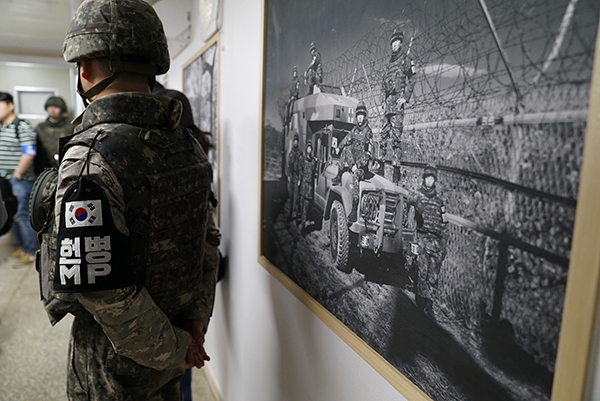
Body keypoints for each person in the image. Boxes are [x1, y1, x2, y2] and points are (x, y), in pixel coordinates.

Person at [43, 0, 220, 399]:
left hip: (113, 363)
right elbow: (208, 243)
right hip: (176, 338)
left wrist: (175, 348)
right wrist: (191, 328)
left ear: (85, 68)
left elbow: (97, 287)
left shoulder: (90, 158)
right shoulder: (187, 145)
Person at [152, 81, 220, 401]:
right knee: (181, 376)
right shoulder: (196, 157)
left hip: (169, 291)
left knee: (178, 372)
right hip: (185, 290)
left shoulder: (179, 162)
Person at [0, 92, 38, 266]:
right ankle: (22, 248)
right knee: (11, 214)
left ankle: (30, 252)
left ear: (10, 106)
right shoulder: (3, 127)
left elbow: (29, 153)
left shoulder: (21, 126)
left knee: (21, 216)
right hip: (4, 181)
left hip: (19, 180)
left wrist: (17, 174)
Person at [407, 166, 448, 318]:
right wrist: (416, 202)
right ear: (424, 179)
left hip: (437, 243)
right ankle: (420, 303)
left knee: (433, 277)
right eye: (428, 178)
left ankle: (429, 305)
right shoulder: (418, 194)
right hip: (423, 240)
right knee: (422, 273)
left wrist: (444, 243)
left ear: (435, 181)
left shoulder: (439, 200)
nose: (430, 181)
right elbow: (409, 197)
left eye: (432, 179)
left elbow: (444, 221)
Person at [381, 30, 415, 182]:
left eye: (397, 42)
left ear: (401, 43)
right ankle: (380, 165)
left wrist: (405, 97)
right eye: (392, 43)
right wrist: (382, 101)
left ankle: (396, 169)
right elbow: (383, 85)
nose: (394, 45)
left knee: (396, 138)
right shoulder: (389, 64)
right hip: (387, 104)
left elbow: (413, 78)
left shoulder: (405, 60)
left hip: (397, 104)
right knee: (383, 136)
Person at [333, 101, 373, 222]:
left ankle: (354, 209)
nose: (360, 117)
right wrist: (338, 147)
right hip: (353, 164)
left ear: (364, 117)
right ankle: (339, 174)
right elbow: (346, 139)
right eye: (358, 115)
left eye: (362, 115)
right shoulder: (354, 130)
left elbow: (368, 153)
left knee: (355, 176)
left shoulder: (368, 132)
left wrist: (358, 166)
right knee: (346, 148)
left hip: (362, 169)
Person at [35, 96, 75, 170]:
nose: (52, 110)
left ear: (62, 109)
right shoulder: (41, 128)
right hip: (45, 167)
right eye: (50, 107)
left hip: (67, 166)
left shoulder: (71, 127)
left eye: (56, 107)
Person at [298, 139, 317, 234]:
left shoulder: (313, 161)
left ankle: (303, 228)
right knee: (301, 207)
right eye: (308, 148)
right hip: (303, 186)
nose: (309, 150)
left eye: (310, 148)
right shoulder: (302, 158)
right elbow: (300, 169)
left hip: (309, 188)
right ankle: (300, 222)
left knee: (306, 207)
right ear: (306, 149)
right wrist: (299, 180)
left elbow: (315, 173)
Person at [287, 133, 302, 221]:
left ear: (298, 142)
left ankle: (295, 216)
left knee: (296, 198)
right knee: (291, 197)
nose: (295, 142)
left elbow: (301, 168)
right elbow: (289, 165)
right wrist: (289, 175)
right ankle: (289, 214)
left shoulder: (300, 153)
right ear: (293, 142)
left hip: (296, 178)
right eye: (294, 141)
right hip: (291, 177)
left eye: (297, 141)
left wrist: (299, 179)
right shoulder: (291, 153)